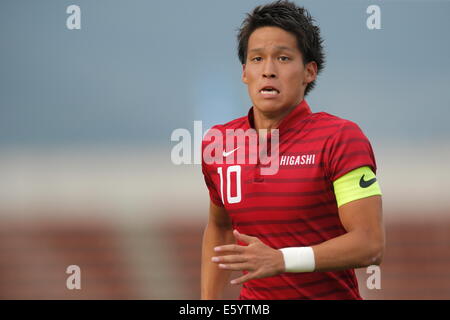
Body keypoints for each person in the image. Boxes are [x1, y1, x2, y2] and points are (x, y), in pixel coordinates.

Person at [200, 0, 384, 300]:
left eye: (283, 58)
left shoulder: (340, 138)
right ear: (244, 71)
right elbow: (220, 229)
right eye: (257, 59)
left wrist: (283, 260)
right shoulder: (218, 142)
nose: (268, 71)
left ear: (309, 72)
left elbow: (370, 244)